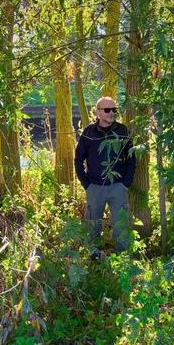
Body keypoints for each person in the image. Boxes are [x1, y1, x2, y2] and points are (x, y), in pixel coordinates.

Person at [74, 96, 136, 255]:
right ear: (98, 112)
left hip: (118, 187)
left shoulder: (123, 131)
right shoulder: (88, 133)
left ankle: (122, 260)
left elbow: (131, 158)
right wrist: (86, 184)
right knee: (93, 224)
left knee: (121, 225)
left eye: (114, 110)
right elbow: (78, 159)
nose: (111, 113)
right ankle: (94, 256)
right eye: (107, 110)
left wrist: (126, 183)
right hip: (95, 187)